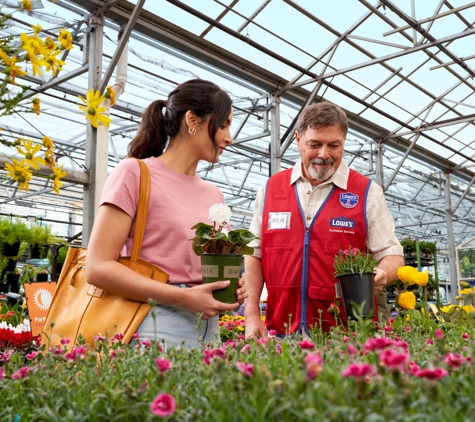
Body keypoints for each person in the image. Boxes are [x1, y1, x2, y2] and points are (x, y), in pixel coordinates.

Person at [86, 79, 247, 349]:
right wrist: (183, 297)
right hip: (155, 320)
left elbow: (208, 264)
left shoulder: (214, 196)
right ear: (192, 120)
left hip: (209, 326)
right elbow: (97, 267)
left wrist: (233, 284)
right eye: (223, 125)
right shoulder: (135, 173)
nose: (229, 137)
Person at [244, 102, 404, 338]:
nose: (324, 154)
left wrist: (382, 273)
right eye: (315, 144)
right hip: (280, 330)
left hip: (344, 336)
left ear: (344, 143)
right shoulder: (270, 190)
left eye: (334, 145)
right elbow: (254, 254)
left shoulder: (366, 192)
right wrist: (251, 315)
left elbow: (392, 254)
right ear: (297, 140)